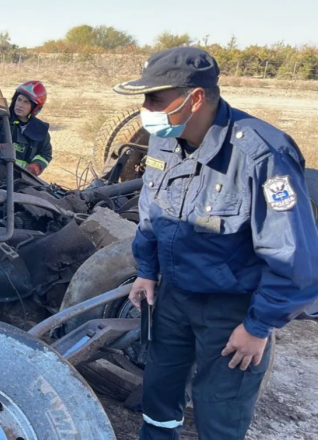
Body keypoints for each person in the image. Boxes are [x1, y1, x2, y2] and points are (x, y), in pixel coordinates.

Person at [114, 47, 318, 440]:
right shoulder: (164, 144)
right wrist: (146, 271)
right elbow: (153, 214)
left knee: (219, 411)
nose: (145, 107)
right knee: (159, 396)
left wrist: (257, 327)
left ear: (194, 98)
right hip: (173, 297)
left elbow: (294, 256)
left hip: (231, 312)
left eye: (154, 98)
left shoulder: (261, 154)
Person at [0, 81, 52, 176]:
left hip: (19, 181)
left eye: (26, 102)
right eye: (19, 99)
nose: (20, 105)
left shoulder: (40, 131)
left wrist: (36, 166)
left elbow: (45, 153)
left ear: (35, 108)